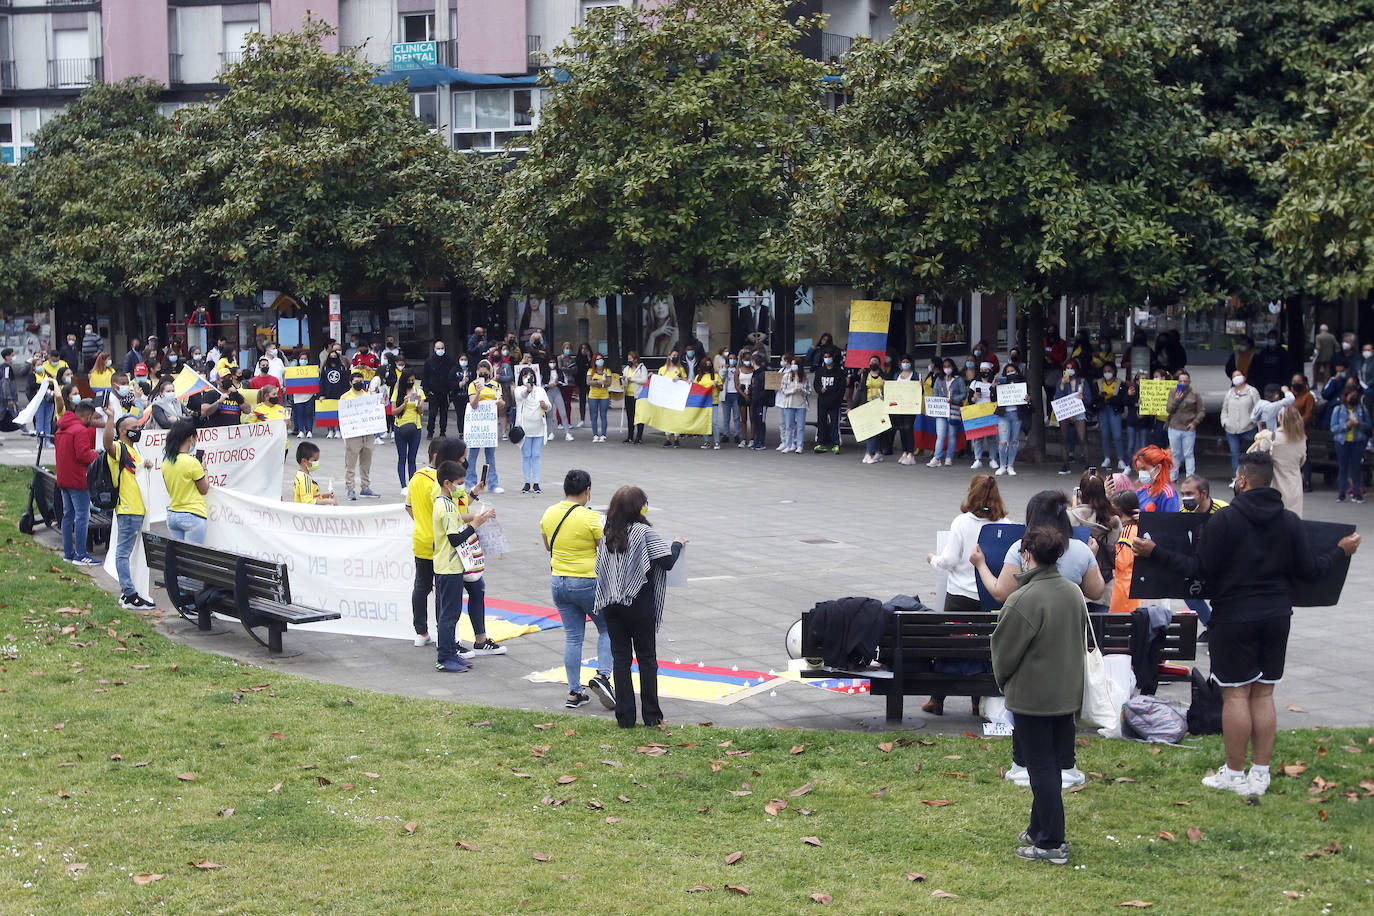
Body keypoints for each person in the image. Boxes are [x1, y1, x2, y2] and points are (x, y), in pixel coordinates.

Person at [1133, 453, 1360, 796]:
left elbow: (1198, 569)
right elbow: (1311, 570)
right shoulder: (1289, 521)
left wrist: (1156, 553)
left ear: (1242, 480)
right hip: (1277, 616)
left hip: (1234, 616)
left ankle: (1234, 774)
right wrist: (1340, 552)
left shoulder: (1224, 522)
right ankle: (1261, 773)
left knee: (1236, 694)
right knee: (1264, 692)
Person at [991, 526, 1085, 866]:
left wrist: (1005, 684)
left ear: (1027, 556)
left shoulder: (1023, 599)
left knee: (1041, 768)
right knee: (1051, 766)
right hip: (1066, 694)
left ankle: (1050, 842)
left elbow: (1004, 653)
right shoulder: (1072, 592)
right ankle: (1037, 828)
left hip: (1033, 696)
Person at [594, 485, 684, 728]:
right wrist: (677, 544)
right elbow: (666, 562)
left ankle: (625, 717)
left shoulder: (608, 532)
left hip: (611, 603)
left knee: (620, 659)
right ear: (638, 508)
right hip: (639, 603)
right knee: (646, 659)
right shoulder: (644, 532)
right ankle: (652, 715)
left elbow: (601, 568)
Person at [922, 474, 1009, 715]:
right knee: (983, 646)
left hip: (960, 595)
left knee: (951, 644)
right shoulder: (1007, 524)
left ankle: (937, 699)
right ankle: (975, 699)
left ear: (971, 493)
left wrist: (932, 560)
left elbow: (949, 560)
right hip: (990, 595)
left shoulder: (961, 523)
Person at [541, 469, 615, 710]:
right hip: (586, 581)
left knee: (573, 637)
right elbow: (603, 550)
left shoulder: (549, 513)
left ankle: (574, 692)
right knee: (607, 629)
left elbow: (547, 544)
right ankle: (603, 677)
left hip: (558, 581)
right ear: (588, 491)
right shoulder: (592, 518)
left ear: (565, 490)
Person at [432, 459, 501, 673]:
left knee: (451, 613)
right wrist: (475, 524)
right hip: (448, 567)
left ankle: (450, 653)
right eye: (459, 483)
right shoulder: (443, 506)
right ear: (447, 483)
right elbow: (455, 539)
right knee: (449, 615)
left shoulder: (447, 503)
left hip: (451, 566)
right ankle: (445, 657)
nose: (460, 487)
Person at [407, 438, 467, 647]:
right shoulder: (443, 482)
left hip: (421, 540)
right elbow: (456, 514)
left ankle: (421, 632)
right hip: (441, 545)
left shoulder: (416, 477)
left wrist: (422, 522)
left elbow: (408, 506)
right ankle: (446, 636)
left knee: (421, 587)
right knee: (443, 592)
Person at [55, 398, 99, 566]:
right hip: (77, 479)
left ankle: (69, 552)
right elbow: (83, 455)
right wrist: (95, 454)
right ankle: (81, 554)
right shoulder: (79, 431)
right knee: (82, 516)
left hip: (63, 478)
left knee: (68, 515)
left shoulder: (62, 428)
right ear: (88, 416)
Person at [1069, 472, 1121, 599]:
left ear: (1080, 494)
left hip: (1076, 582)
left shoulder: (1069, 517)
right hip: (1105, 581)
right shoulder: (1113, 520)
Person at [1249, 406, 1306, 515]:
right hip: (1295, 484)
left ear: (1280, 418)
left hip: (1275, 484)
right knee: (1294, 518)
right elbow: (1302, 461)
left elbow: (1253, 455)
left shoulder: (1271, 437)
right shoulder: (1301, 439)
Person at [161, 419, 209, 543]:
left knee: (180, 558)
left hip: (173, 514)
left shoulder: (166, 462)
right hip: (193, 515)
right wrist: (204, 469)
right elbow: (204, 489)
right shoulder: (192, 462)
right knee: (191, 558)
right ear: (190, 438)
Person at [465, 361, 505, 494]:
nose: (483, 375)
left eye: (485, 373)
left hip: (489, 425)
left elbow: (501, 403)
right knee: (472, 455)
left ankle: (493, 484)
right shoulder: (473, 385)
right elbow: (473, 404)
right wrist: (478, 392)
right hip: (476, 425)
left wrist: (500, 402)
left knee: (490, 456)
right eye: (481, 372)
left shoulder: (496, 385)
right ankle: (470, 482)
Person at [340, 371, 380, 501]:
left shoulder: (368, 396)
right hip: (353, 435)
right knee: (350, 463)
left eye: (361, 381)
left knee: (366, 463)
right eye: (356, 382)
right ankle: (350, 489)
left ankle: (365, 487)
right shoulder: (345, 397)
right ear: (351, 383)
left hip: (368, 434)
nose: (359, 383)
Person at [1329, 388, 1370, 503]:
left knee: (1357, 467)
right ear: (1345, 397)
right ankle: (1342, 493)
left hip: (1358, 442)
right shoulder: (1338, 409)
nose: (1354, 398)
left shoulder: (1362, 409)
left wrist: (1359, 424)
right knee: (1343, 467)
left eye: (1355, 396)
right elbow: (1333, 427)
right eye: (1351, 396)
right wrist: (1345, 425)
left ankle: (1357, 493)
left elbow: (1368, 425)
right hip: (1342, 442)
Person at [1221, 369, 1260, 485]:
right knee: (1235, 455)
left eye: (1238, 375)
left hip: (1248, 428)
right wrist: (1224, 422)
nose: (1236, 378)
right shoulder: (1229, 393)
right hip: (1231, 429)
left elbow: (1258, 408)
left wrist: (1252, 421)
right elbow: (1225, 409)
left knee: (1248, 455)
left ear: (1244, 377)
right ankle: (1237, 478)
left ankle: (1249, 478)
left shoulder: (1252, 391)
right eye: (1234, 376)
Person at [1052, 358, 1092, 474]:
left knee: (1082, 438)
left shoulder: (1082, 381)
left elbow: (1089, 398)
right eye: (1067, 368)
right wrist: (1063, 385)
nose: (1069, 370)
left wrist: (1083, 398)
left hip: (1078, 410)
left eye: (1071, 368)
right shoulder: (1061, 381)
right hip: (1065, 410)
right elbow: (1058, 398)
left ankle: (1087, 464)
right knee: (1064, 438)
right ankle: (1065, 465)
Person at [515, 367, 550, 493]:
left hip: (539, 428)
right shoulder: (518, 389)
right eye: (525, 375)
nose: (528, 377)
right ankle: (526, 482)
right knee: (526, 456)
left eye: (530, 375)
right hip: (525, 430)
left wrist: (545, 406)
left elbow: (548, 405)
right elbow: (521, 396)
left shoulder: (540, 390)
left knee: (536, 455)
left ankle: (536, 482)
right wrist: (527, 389)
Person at [1165, 370, 1204, 480]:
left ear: (1189, 381)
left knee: (1188, 454)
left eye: (1185, 381)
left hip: (1188, 429)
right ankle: (1173, 476)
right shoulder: (1173, 393)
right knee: (1175, 453)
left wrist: (1194, 423)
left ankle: (1190, 476)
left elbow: (1201, 411)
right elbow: (1169, 409)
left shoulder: (1195, 395)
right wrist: (1176, 400)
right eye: (1180, 381)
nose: (1182, 383)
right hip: (1174, 427)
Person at [928, 358, 965, 467]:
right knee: (940, 435)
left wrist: (954, 399)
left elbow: (963, 394)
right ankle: (937, 457)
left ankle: (949, 457)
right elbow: (935, 393)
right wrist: (938, 401)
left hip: (953, 410)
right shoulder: (939, 379)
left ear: (953, 367)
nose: (947, 369)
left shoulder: (958, 380)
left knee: (952, 434)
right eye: (945, 367)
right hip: (941, 410)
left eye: (949, 366)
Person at [1108, 490, 1140, 615]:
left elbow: (1120, 562)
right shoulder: (1137, 528)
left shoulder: (1126, 533)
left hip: (1123, 592)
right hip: (1130, 591)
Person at [392, 370, 425, 488]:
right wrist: (404, 404)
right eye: (409, 380)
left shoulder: (418, 391)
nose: (411, 383)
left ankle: (412, 485)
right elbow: (393, 411)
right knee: (402, 458)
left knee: (412, 458)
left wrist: (419, 403)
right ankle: (403, 485)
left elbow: (421, 412)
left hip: (416, 428)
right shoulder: (397, 392)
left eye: (413, 380)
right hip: (400, 427)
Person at [993, 362, 1025, 476]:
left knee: (1014, 441)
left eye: (1012, 370)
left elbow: (1027, 400)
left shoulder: (1022, 382)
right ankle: (1002, 465)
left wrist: (1028, 398)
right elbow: (993, 398)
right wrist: (994, 387)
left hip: (1016, 415)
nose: (1010, 373)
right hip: (1003, 415)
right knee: (1003, 441)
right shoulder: (1001, 382)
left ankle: (1010, 465)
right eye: (1008, 371)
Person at [967, 361, 998, 470]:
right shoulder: (974, 383)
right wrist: (974, 397)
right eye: (982, 370)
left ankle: (993, 459)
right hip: (977, 412)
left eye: (986, 370)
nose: (984, 372)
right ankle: (977, 459)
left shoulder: (993, 383)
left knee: (992, 437)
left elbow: (996, 400)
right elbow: (969, 401)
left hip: (990, 412)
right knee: (977, 438)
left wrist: (993, 388)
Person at [812, 348, 843, 454]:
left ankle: (836, 443)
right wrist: (820, 389)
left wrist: (837, 398)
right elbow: (816, 384)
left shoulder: (838, 371)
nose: (827, 359)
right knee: (821, 422)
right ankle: (820, 443)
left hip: (834, 402)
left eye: (828, 357)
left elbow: (841, 387)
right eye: (825, 357)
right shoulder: (820, 371)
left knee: (834, 423)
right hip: (822, 401)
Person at [1096, 360, 1125, 471]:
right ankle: (1106, 458)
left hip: (1115, 411)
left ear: (1114, 371)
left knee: (1117, 436)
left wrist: (1111, 398)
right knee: (1105, 435)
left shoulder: (1120, 383)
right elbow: (1094, 398)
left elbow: (1122, 399)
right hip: (1103, 411)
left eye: (1109, 371)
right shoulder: (1098, 383)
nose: (1107, 373)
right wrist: (1099, 396)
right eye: (1105, 371)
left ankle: (1121, 459)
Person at [1133, 444, 1180, 512]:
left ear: (1158, 468)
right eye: (1139, 469)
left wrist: (1145, 517)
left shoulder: (1168, 494)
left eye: (1144, 469)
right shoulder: (1141, 491)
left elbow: (1171, 520)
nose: (1141, 473)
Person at [423, 340, 454, 438]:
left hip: (444, 392)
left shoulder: (449, 361)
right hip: (433, 392)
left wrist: (450, 390)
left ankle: (442, 432)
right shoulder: (429, 361)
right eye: (438, 348)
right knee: (432, 413)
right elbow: (425, 376)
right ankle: (430, 432)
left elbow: (452, 376)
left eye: (442, 348)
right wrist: (427, 391)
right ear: (434, 349)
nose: (440, 350)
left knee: (444, 414)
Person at [776, 355, 806, 454]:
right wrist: (792, 390)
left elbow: (809, 391)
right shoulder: (787, 376)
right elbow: (783, 389)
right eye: (792, 364)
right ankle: (788, 445)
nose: (793, 366)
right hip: (789, 403)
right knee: (788, 425)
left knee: (800, 426)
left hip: (801, 404)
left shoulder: (804, 377)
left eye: (795, 364)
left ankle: (799, 445)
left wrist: (802, 390)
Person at [288, 351, 316, 438]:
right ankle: (301, 430)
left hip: (309, 395)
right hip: (298, 396)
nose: (303, 361)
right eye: (301, 359)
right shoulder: (294, 370)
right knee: (299, 413)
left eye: (305, 359)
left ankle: (309, 430)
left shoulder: (311, 370)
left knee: (309, 413)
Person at [622, 351, 648, 444]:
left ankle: (639, 436)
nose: (629, 361)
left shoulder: (642, 368)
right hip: (628, 395)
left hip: (638, 395)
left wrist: (632, 379)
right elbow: (624, 382)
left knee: (639, 416)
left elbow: (644, 380)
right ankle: (630, 436)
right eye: (628, 359)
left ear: (635, 359)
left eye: (630, 359)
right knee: (630, 416)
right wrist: (624, 380)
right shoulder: (626, 369)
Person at [586, 353, 611, 443]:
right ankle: (595, 435)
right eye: (597, 359)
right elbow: (588, 382)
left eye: (601, 359)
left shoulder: (607, 371)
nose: (599, 361)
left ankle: (603, 435)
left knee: (603, 415)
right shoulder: (591, 371)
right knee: (594, 415)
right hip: (593, 395)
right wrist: (598, 382)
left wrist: (601, 383)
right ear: (594, 361)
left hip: (604, 395)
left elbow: (609, 383)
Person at [736, 349, 754, 447]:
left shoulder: (753, 369)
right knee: (743, 418)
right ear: (742, 360)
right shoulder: (738, 369)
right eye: (746, 359)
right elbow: (736, 385)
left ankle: (752, 438)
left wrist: (750, 392)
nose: (748, 361)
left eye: (749, 359)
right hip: (742, 392)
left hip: (751, 392)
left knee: (752, 418)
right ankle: (743, 439)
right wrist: (743, 394)